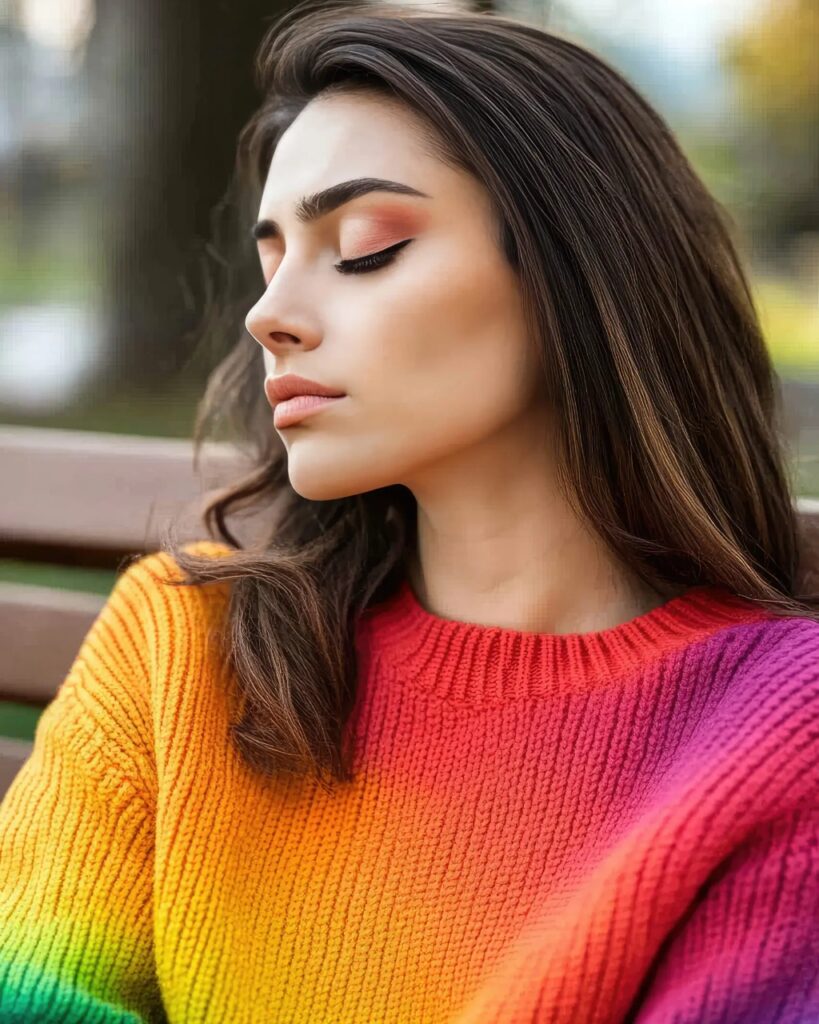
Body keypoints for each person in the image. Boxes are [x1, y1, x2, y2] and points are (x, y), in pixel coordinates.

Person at [1, 2, 817, 1021]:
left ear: (581, 271)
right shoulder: (181, 646)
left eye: (368, 245)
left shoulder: (781, 728)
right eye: (272, 259)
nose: (269, 316)